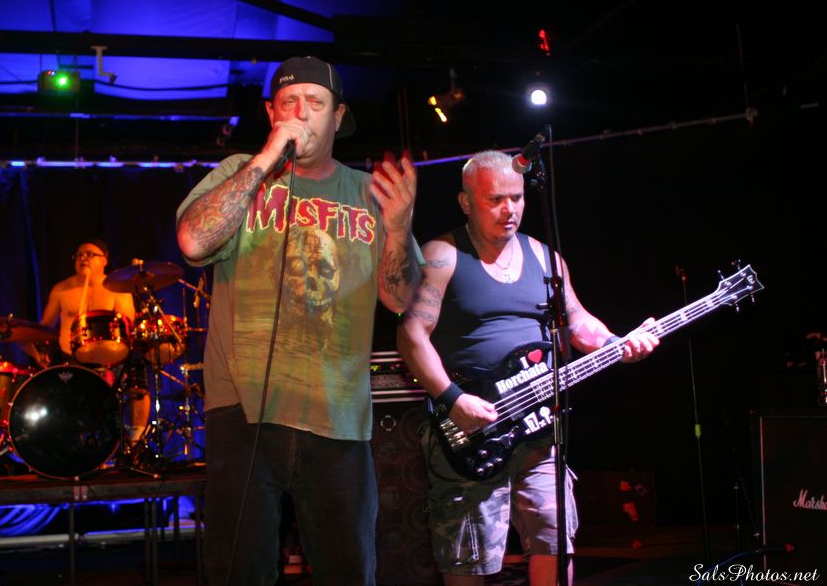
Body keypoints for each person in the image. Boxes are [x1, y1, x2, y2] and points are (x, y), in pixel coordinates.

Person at [175, 56, 421, 585]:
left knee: (348, 571)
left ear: (338, 116)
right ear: (271, 113)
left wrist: (399, 230)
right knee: (240, 571)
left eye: (315, 103)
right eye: (289, 102)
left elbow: (400, 299)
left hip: (337, 414)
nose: (301, 113)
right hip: (242, 412)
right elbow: (193, 241)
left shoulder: (367, 193)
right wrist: (265, 160)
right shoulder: (239, 172)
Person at [397, 150, 660, 586]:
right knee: (467, 556)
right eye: (495, 199)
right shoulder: (442, 255)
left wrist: (618, 343)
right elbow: (411, 335)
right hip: (471, 430)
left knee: (556, 539)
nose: (510, 210)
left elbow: (577, 321)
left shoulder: (545, 258)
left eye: (517, 198)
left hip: (539, 429)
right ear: (466, 202)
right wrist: (453, 399)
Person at [34, 238, 136, 366]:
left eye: (89, 254)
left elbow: (127, 326)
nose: (83, 258)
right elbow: (45, 327)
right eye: (79, 255)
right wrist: (41, 348)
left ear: (104, 260)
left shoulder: (118, 289)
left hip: (108, 361)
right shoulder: (61, 290)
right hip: (69, 360)